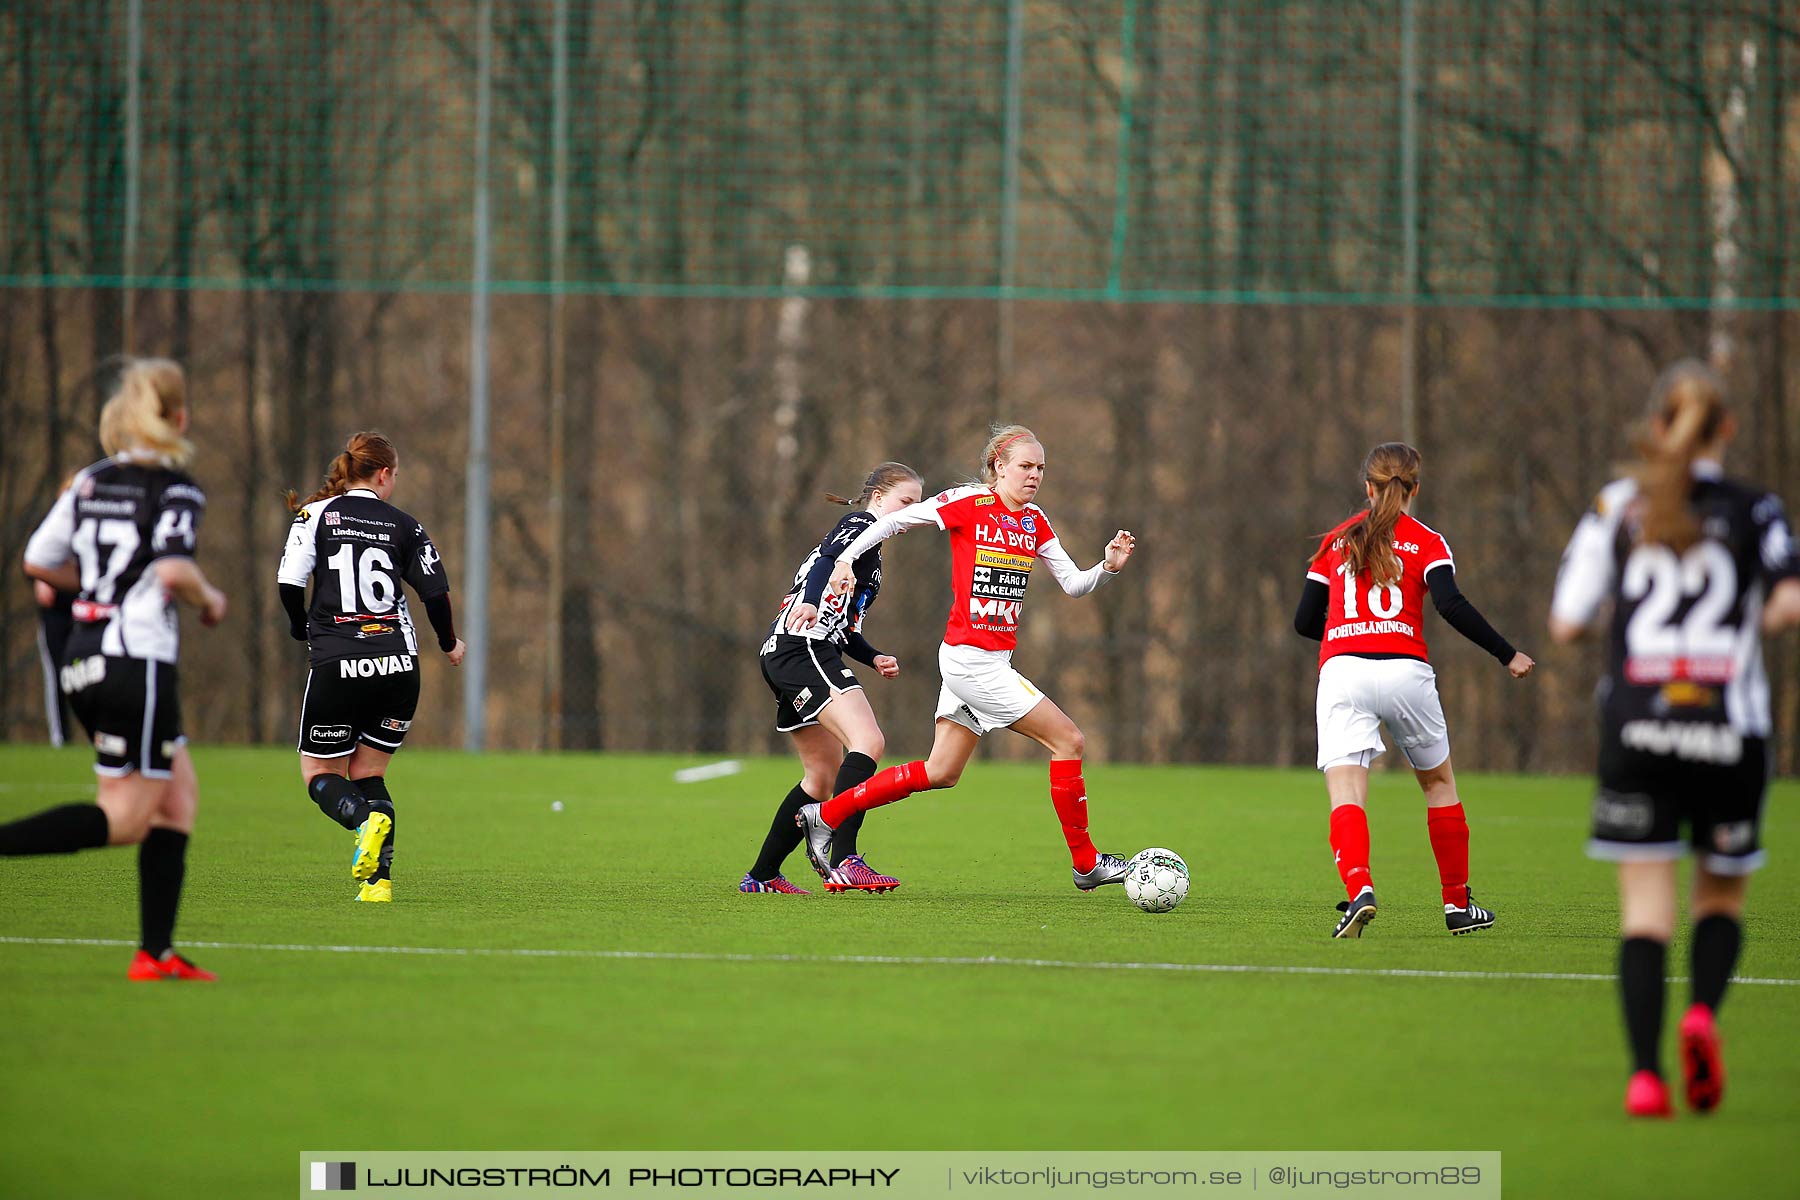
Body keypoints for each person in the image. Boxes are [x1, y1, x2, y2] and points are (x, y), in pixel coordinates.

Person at [1549, 360, 1800, 1118]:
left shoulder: (1620, 506)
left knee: (1645, 913)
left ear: (1658, 427)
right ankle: (1701, 1017)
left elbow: (1565, 622)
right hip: (1728, 729)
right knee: (1718, 898)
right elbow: (1790, 602)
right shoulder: (1758, 509)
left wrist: (1622, 629)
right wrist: (1736, 633)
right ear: (1725, 429)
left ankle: (1645, 1078)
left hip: (1637, 725)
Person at [794, 425, 1138, 891]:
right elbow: (895, 521)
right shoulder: (970, 502)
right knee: (1069, 741)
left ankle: (825, 814)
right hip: (970, 661)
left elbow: (1074, 585)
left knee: (941, 772)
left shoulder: (1035, 521)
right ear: (999, 466)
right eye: (1025, 466)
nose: (1035, 475)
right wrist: (842, 560)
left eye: (1040, 468)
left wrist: (1107, 568)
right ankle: (1086, 863)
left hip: (989, 663)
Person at [5, 357, 228, 981]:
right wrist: (210, 599)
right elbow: (175, 571)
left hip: (83, 656)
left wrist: (102, 587)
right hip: (138, 662)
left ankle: (154, 954)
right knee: (129, 818)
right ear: (179, 417)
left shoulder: (89, 482)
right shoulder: (177, 488)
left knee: (177, 797)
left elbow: (38, 560)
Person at [1294, 442, 1534, 939]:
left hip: (1342, 672)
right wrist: (1506, 653)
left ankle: (1359, 887)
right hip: (1407, 672)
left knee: (1347, 793)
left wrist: (1347, 633)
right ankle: (1456, 905)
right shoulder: (1427, 540)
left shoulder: (1336, 540)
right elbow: (1450, 604)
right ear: (1414, 489)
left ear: (1367, 487)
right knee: (1439, 786)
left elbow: (1303, 620)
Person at [277, 432, 465, 903]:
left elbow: (289, 582)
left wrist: (302, 628)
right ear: (383, 474)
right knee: (369, 771)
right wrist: (448, 643)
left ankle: (363, 821)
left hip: (339, 661)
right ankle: (378, 884)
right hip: (399, 665)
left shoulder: (314, 515)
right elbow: (436, 596)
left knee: (320, 773)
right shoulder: (406, 525)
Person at [740, 463, 924, 895]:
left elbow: (845, 629)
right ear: (878, 498)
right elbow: (826, 561)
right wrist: (807, 601)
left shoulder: (873, 559)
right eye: (905, 503)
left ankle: (763, 875)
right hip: (801, 647)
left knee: (821, 780)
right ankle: (844, 859)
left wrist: (873, 656)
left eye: (918, 507)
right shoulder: (860, 523)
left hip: (788, 650)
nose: (910, 515)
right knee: (870, 742)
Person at [34, 577, 80, 745]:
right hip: (55, 615)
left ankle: (97, 735)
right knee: (56, 677)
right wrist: (40, 579)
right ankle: (59, 738)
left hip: (85, 613)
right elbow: (33, 561)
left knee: (92, 675)